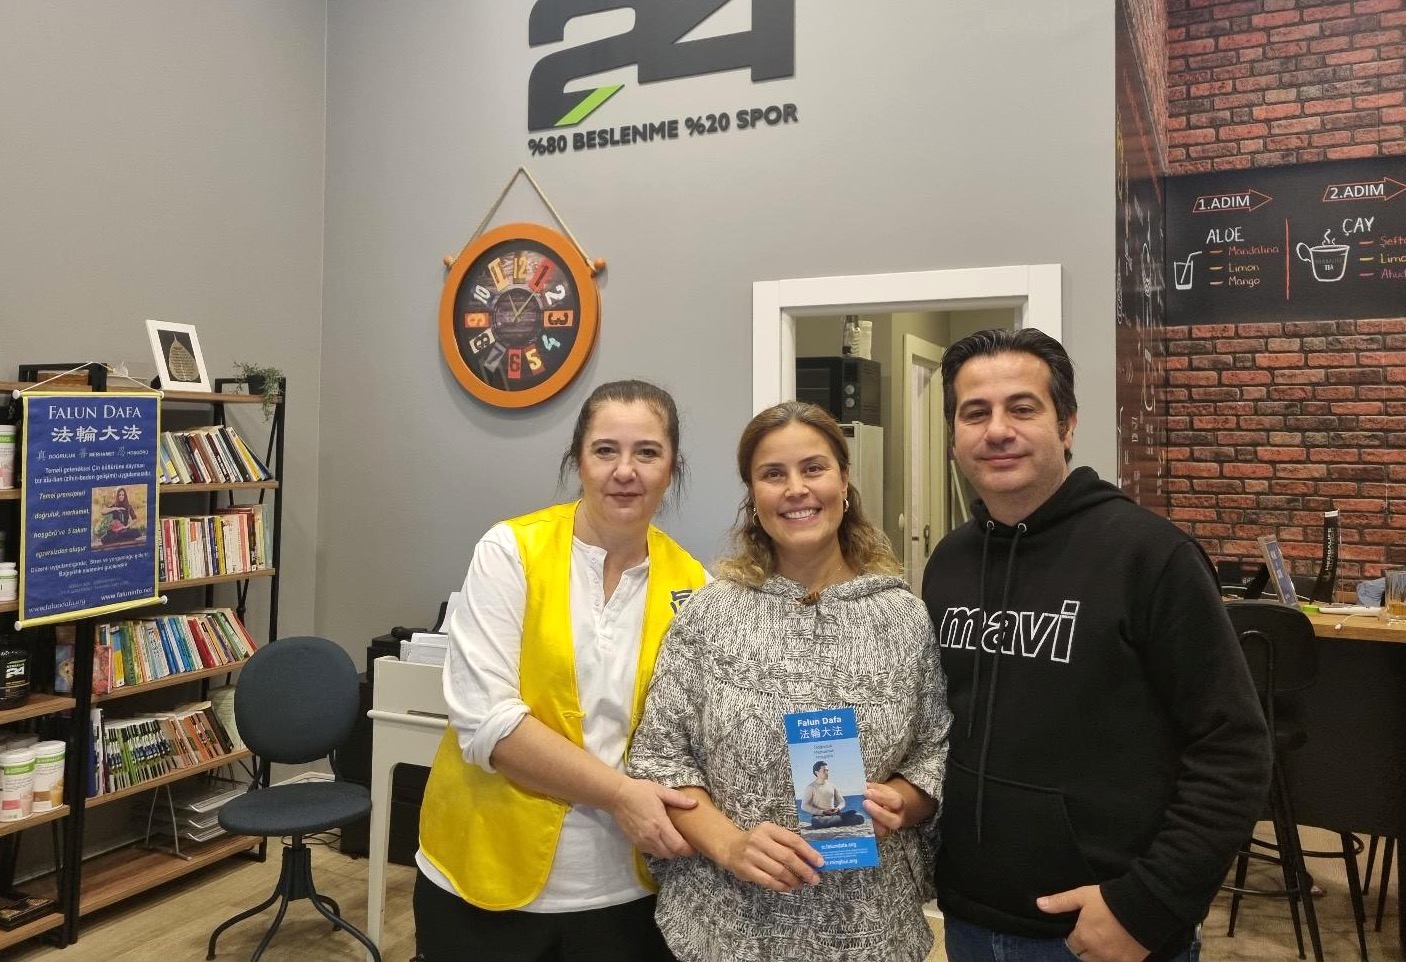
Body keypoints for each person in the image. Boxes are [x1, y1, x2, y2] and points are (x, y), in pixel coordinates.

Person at [920, 328, 1272, 962]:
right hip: (967, 919)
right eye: (975, 413)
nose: (997, 430)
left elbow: (1233, 747)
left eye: (1022, 407)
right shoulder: (948, 562)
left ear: (1067, 424)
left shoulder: (1150, 556)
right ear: (953, 437)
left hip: (1101, 931)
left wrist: (1150, 905)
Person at [627, 400, 952, 962]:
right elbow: (661, 760)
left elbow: (935, 751)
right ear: (753, 495)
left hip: (869, 930)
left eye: (814, 468)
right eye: (773, 474)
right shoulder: (709, 616)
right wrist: (731, 846)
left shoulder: (903, 617)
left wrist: (903, 802)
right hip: (728, 928)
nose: (796, 489)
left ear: (844, 481)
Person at [415, 379, 710, 962]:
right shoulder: (510, 551)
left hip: (626, 892)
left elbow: (699, 740)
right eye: (605, 450)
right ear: (578, 460)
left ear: (672, 469)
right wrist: (622, 795)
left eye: (647, 453)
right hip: (483, 880)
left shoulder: (695, 586)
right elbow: (489, 724)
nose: (625, 471)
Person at [800, 761, 860, 828]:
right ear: (816, 772)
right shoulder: (811, 787)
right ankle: (841, 820)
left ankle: (837, 820)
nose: (827, 773)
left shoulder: (832, 785)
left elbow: (842, 802)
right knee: (816, 821)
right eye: (824, 771)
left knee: (858, 815)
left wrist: (838, 809)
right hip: (821, 816)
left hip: (834, 814)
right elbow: (804, 806)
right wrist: (823, 812)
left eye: (827, 771)